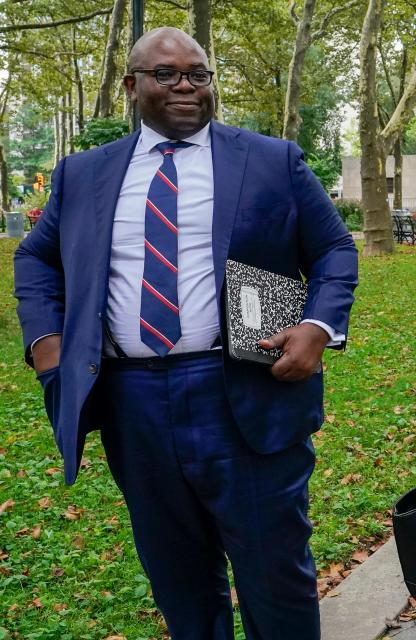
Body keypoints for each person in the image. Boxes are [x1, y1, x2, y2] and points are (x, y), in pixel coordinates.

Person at [13, 27, 358, 639]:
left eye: (198, 74)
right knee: (177, 573)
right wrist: (47, 345)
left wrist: (317, 325)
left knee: (274, 572)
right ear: (131, 86)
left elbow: (332, 247)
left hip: (245, 387)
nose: (186, 87)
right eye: (166, 74)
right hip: (131, 398)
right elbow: (37, 258)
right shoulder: (83, 174)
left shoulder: (270, 159)